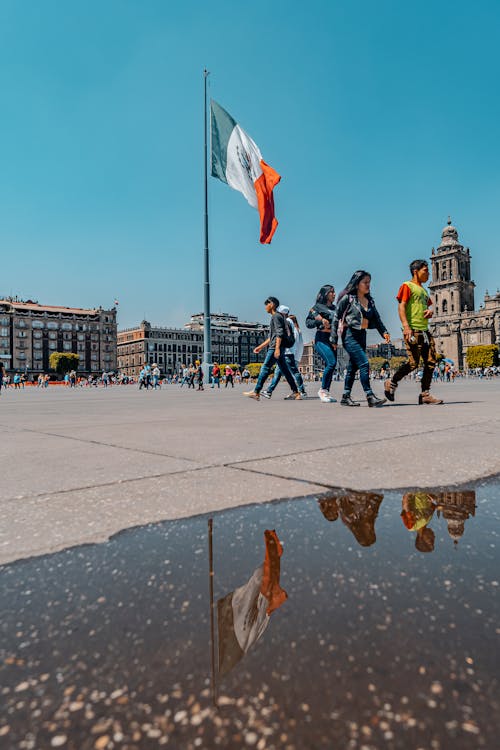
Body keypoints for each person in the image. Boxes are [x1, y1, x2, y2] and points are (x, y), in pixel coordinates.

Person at [384, 260, 443, 405]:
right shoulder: (407, 286)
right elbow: (401, 306)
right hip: (413, 330)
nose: (428, 274)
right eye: (425, 271)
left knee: (430, 361)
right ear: (415, 272)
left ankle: (425, 394)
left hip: (424, 331)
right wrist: (406, 326)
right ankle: (392, 382)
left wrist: (430, 312)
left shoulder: (423, 291)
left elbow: (428, 306)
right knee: (413, 363)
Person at [331, 270, 390, 407]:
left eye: (369, 282)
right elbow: (336, 317)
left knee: (353, 367)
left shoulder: (370, 301)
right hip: (349, 336)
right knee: (364, 363)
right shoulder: (349, 298)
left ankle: (345, 397)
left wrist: (384, 332)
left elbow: (377, 318)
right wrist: (333, 339)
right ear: (357, 284)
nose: (368, 285)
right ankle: (370, 396)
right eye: (365, 282)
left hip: (362, 335)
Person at [243, 297, 301, 401]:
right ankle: (296, 392)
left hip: (275, 347)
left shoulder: (276, 316)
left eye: (267, 304)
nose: (265, 307)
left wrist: (277, 348)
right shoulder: (279, 317)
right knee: (285, 371)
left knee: (265, 367)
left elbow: (279, 333)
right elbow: (272, 336)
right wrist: (260, 347)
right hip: (278, 346)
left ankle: (256, 392)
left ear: (272, 304)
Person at [262, 305, 307, 399]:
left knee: (291, 372)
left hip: (287, 352)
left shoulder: (286, 322)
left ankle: (301, 391)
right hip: (289, 352)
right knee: (279, 373)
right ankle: (269, 391)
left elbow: (281, 336)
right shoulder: (294, 326)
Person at [305, 285, 338, 402]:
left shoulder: (335, 308)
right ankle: (323, 390)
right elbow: (308, 323)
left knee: (333, 365)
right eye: (331, 292)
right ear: (325, 294)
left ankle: (326, 392)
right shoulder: (317, 307)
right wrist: (319, 321)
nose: (334, 294)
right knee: (331, 362)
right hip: (321, 338)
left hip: (333, 339)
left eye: (334, 292)